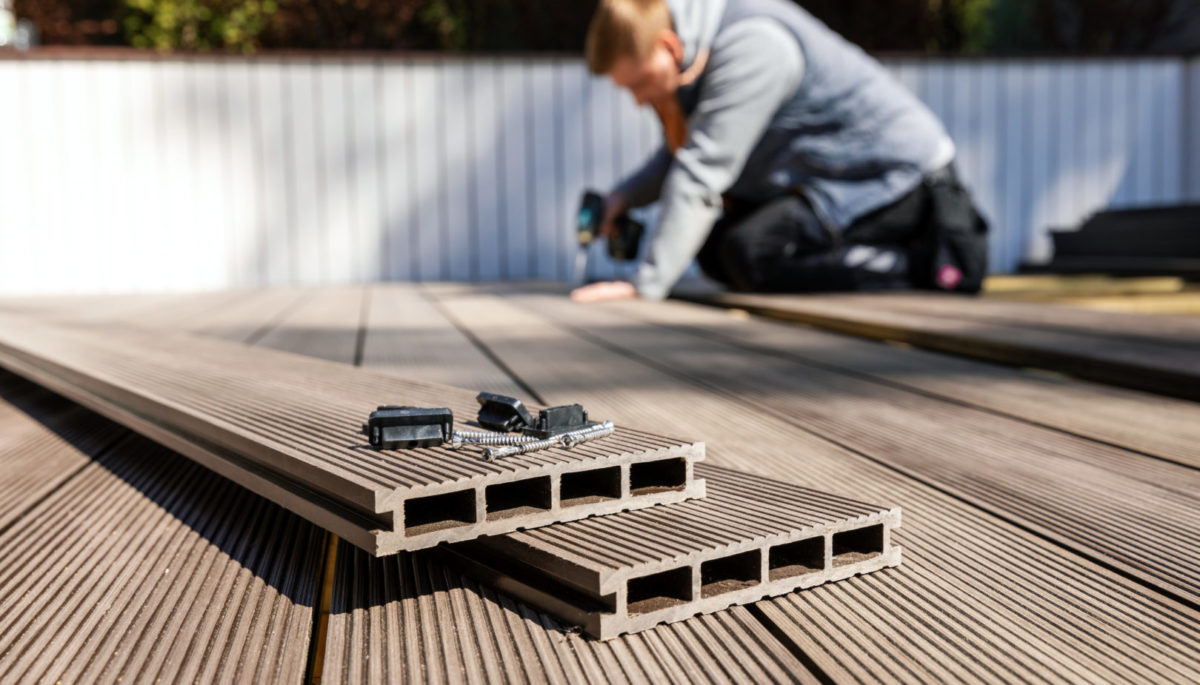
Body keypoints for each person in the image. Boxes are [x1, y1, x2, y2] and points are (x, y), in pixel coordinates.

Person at [571, 0, 989, 304]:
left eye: (639, 83)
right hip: (828, 180)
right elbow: (680, 158)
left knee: (747, 252)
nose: (639, 101)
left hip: (894, 177)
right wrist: (620, 199)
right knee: (717, 252)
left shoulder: (751, 45)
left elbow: (702, 169)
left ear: (669, 46)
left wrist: (645, 287)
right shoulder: (700, 51)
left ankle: (927, 265)